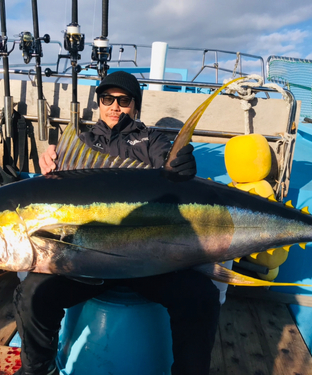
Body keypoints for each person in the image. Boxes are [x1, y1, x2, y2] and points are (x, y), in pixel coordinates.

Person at [13, 71, 221, 375]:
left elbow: (170, 167)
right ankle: (38, 370)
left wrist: (181, 166)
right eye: (107, 99)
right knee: (33, 293)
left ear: (134, 105)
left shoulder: (152, 140)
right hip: (84, 261)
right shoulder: (79, 142)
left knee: (200, 295)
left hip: (148, 261)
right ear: (98, 102)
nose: (114, 106)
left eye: (123, 100)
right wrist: (51, 164)